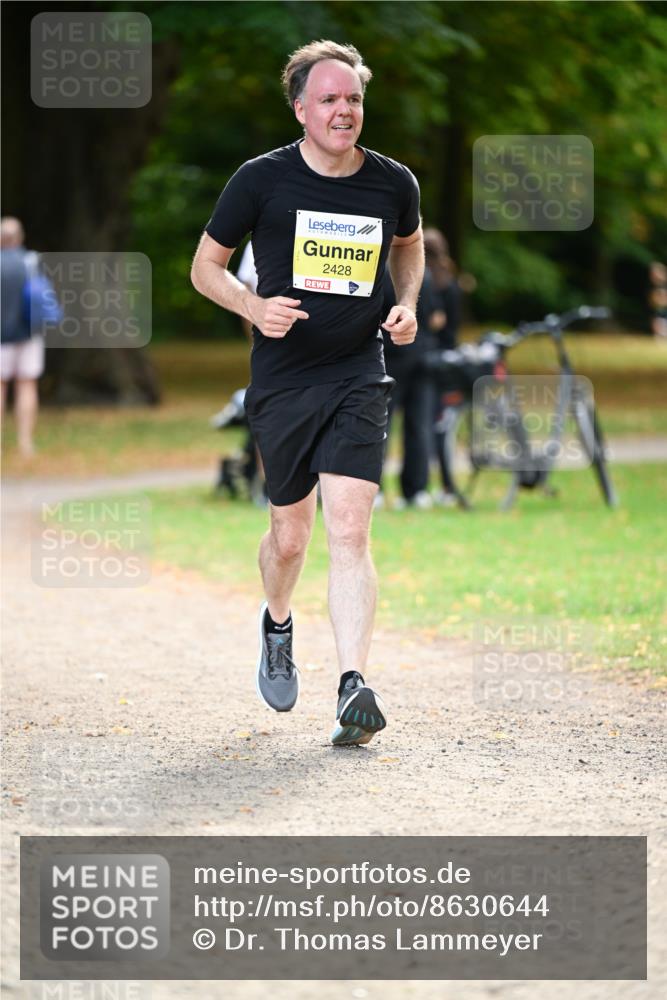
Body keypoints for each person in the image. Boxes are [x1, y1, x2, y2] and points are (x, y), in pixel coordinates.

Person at [191, 40, 424, 746]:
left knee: (349, 528)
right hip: (284, 379)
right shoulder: (259, 180)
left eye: (352, 98)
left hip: (359, 372)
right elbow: (205, 267)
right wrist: (252, 306)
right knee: (290, 537)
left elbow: (408, 245)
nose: (343, 110)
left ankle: (354, 685)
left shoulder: (392, 182)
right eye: (328, 99)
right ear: (300, 109)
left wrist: (406, 303)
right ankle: (277, 623)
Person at [380, 268, 439, 510]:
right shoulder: (424, 275)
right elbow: (436, 317)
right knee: (418, 426)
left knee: (380, 426)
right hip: (422, 355)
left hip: (390, 358)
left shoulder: (381, 274)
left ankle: (375, 487)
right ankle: (416, 489)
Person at [0, 217, 45, 458]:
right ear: (19, 237)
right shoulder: (31, 261)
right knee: (27, 386)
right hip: (28, 333)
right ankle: (25, 443)